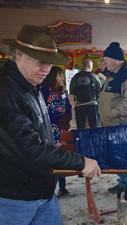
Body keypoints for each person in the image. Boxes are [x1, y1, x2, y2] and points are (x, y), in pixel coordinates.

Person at [0, 24, 100, 225]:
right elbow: (30, 149)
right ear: (18, 55)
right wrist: (80, 162)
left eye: (49, 63)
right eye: (39, 62)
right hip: (13, 198)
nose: (46, 69)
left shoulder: (30, 83)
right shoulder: (6, 91)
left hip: (42, 191)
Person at [98, 42, 127, 193]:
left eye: (106, 60)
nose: (104, 63)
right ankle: (124, 182)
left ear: (116, 60)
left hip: (125, 123)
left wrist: (110, 113)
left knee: (122, 157)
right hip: (114, 124)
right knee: (117, 156)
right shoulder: (113, 76)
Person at [41, 66, 73, 197]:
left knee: (61, 155)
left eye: (62, 75)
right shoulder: (44, 91)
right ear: (52, 77)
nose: (62, 78)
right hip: (49, 129)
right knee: (49, 156)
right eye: (59, 75)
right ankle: (48, 186)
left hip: (61, 129)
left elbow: (68, 107)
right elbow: (43, 110)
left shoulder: (63, 91)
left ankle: (63, 186)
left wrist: (66, 119)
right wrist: (55, 120)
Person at [69, 59, 101, 129]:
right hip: (93, 104)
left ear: (83, 66)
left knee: (80, 127)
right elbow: (99, 91)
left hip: (79, 105)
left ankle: (81, 139)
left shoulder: (75, 77)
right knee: (94, 127)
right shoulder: (94, 76)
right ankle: (94, 139)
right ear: (89, 66)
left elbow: (71, 91)